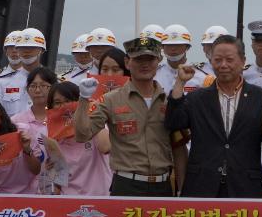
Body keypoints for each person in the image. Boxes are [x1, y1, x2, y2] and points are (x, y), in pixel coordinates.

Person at [166, 35, 262, 198]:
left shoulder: (260, 98)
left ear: (242, 61)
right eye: (218, 60)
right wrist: (180, 83)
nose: (223, 65)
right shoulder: (197, 98)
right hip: (202, 186)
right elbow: (174, 122)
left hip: (246, 187)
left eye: (229, 59)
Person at [74, 37, 181, 197]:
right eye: (138, 59)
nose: (144, 64)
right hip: (126, 186)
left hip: (163, 186)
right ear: (127, 62)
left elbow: (179, 146)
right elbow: (82, 135)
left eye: (150, 59)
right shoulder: (110, 100)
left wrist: (181, 187)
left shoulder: (169, 101)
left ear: (158, 61)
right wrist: (83, 99)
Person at [48, 82, 111, 196]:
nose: (64, 107)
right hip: (69, 200)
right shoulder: (52, 138)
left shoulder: (93, 124)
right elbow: (57, 183)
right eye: (57, 103)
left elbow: (105, 147)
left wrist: (91, 111)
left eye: (68, 101)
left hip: (100, 199)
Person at [11, 67, 67, 195]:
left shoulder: (63, 120)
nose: (37, 90)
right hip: (24, 190)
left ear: (53, 88)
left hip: (59, 189)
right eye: (33, 86)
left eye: (43, 86)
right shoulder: (15, 121)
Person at [156, 25, 200, 94]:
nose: (173, 49)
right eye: (169, 45)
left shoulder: (200, 75)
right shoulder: (154, 74)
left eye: (178, 45)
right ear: (162, 47)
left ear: (187, 47)